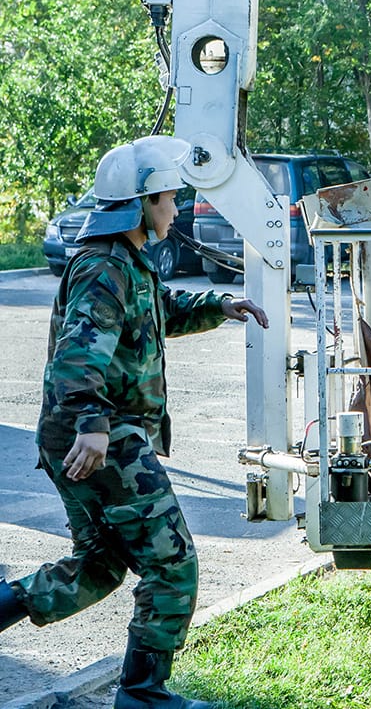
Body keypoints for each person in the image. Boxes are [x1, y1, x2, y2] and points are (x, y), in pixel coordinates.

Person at [0, 136, 269, 708]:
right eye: (169, 198)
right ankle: (144, 695)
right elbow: (76, 358)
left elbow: (158, 312)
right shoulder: (103, 267)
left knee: (99, 566)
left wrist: (218, 306)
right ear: (141, 203)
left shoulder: (128, 261)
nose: (176, 208)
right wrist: (93, 426)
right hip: (102, 436)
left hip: (90, 434)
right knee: (173, 563)